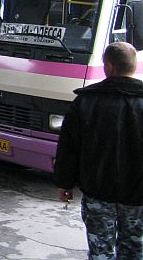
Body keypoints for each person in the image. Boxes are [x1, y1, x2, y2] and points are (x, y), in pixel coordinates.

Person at [54, 42, 143, 259]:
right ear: (133, 66)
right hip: (138, 197)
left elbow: (69, 148)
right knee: (134, 251)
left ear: (109, 66)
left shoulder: (85, 101)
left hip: (98, 195)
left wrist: (65, 184)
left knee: (100, 251)